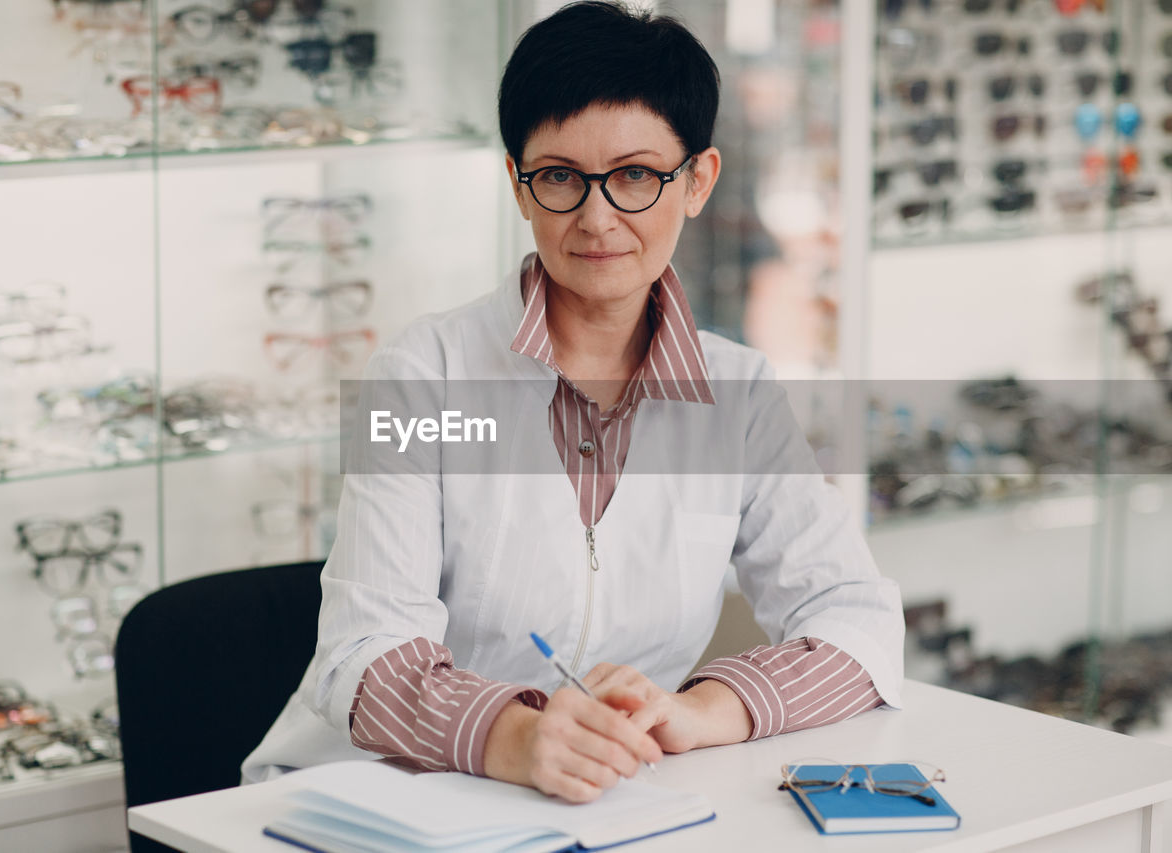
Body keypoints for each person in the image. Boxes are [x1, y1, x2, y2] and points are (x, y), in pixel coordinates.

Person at [243, 0, 903, 803]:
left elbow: (859, 621)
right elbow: (363, 655)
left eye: (634, 176)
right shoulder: (424, 373)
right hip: (383, 801)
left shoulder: (739, 395)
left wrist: (702, 711)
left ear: (697, 181)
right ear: (520, 188)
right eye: (559, 176)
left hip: (602, 801)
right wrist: (516, 735)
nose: (597, 218)